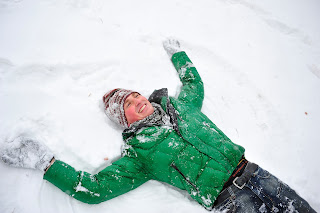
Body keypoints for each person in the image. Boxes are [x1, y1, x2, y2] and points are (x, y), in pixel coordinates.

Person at [0, 39, 316, 212]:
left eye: (136, 95)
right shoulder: (140, 156)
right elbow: (94, 190)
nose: (137, 100)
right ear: (125, 121)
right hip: (230, 203)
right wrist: (45, 162)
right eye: (127, 105)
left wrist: (179, 55)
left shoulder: (180, 106)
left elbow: (195, 85)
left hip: (256, 173)